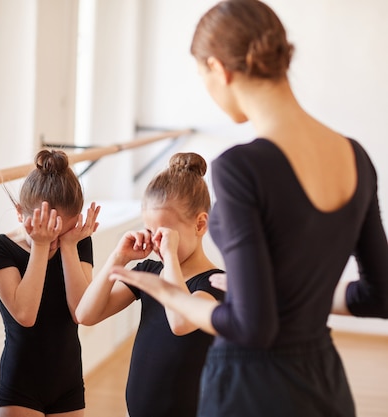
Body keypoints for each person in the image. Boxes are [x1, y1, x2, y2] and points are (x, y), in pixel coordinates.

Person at [109, 1, 388, 416]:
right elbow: (378, 296)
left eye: (203, 77)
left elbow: (252, 326)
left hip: (251, 387)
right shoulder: (356, 156)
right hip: (324, 384)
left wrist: (172, 295)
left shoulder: (241, 167)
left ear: (219, 69)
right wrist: (288, 298)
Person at [76, 152, 225, 417]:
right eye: (149, 230)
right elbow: (86, 314)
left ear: (200, 224)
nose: (156, 242)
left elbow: (179, 322)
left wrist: (169, 256)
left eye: (164, 233)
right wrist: (118, 257)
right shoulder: (150, 271)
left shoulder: (215, 285)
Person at [0, 149, 100, 417]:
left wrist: (70, 245)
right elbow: (25, 314)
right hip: (21, 384)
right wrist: (40, 246)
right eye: (46, 229)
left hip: (68, 382)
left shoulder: (78, 241)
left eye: (65, 230)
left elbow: (80, 311)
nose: (55, 239)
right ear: (20, 213)